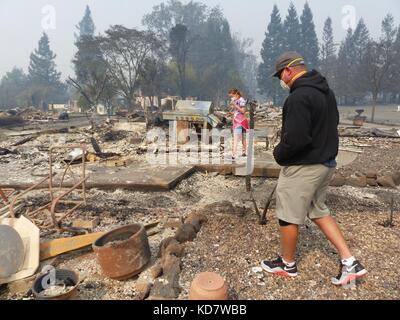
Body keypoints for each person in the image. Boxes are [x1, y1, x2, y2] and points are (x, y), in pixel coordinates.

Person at [260, 52, 368, 286]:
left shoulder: (298, 97)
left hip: (304, 166)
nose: (281, 80)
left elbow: (296, 139)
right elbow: (333, 122)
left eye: (280, 75)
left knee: (288, 214)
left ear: (288, 70)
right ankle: (350, 262)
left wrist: (279, 154)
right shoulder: (326, 92)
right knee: (318, 210)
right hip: (326, 162)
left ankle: (287, 264)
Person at [228, 88, 249, 160]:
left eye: (232, 96)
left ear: (236, 94)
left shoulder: (241, 100)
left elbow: (243, 111)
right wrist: (231, 113)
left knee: (237, 137)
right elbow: (237, 111)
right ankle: (243, 152)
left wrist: (235, 105)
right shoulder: (236, 100)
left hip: (240, 122)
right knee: (241, 137)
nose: (231, 98)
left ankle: (234, 154)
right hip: (238, 120)